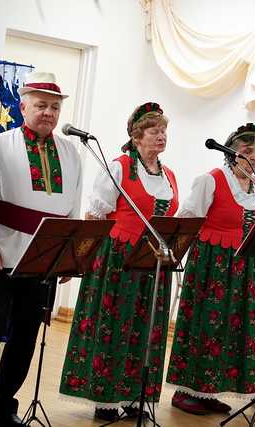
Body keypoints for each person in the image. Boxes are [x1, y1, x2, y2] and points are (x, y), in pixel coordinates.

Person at [0, 71, 81, 427]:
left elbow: (73, 207)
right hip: (0, 253)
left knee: (26, 335)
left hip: (44, 260)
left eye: (54, 107)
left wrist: (66, 257)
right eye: (41, 105)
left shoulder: (72, 152)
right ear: (23, 106)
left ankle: (4, 403)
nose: (48, 112)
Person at [59, 102, 178, 421]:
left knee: (146, 327)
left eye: (164, 130)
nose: (161, 135)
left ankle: (137, 396)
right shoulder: (120, 167)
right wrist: (80, 258)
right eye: (154, 130)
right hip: (118, 260)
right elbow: (95, 215)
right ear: (137, 136)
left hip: (153, 265)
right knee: (114, 326)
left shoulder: (170, 175)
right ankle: (107, 397)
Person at [166, 123, 255, 415]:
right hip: (212, 265)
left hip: (243, 268)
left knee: (230, 329)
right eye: (248, 151)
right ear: (231, 153)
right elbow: (187, 220)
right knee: (205, 326)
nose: (254, 157)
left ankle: (210, 389)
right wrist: (175, 260)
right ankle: (186, 390)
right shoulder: (210, 180)